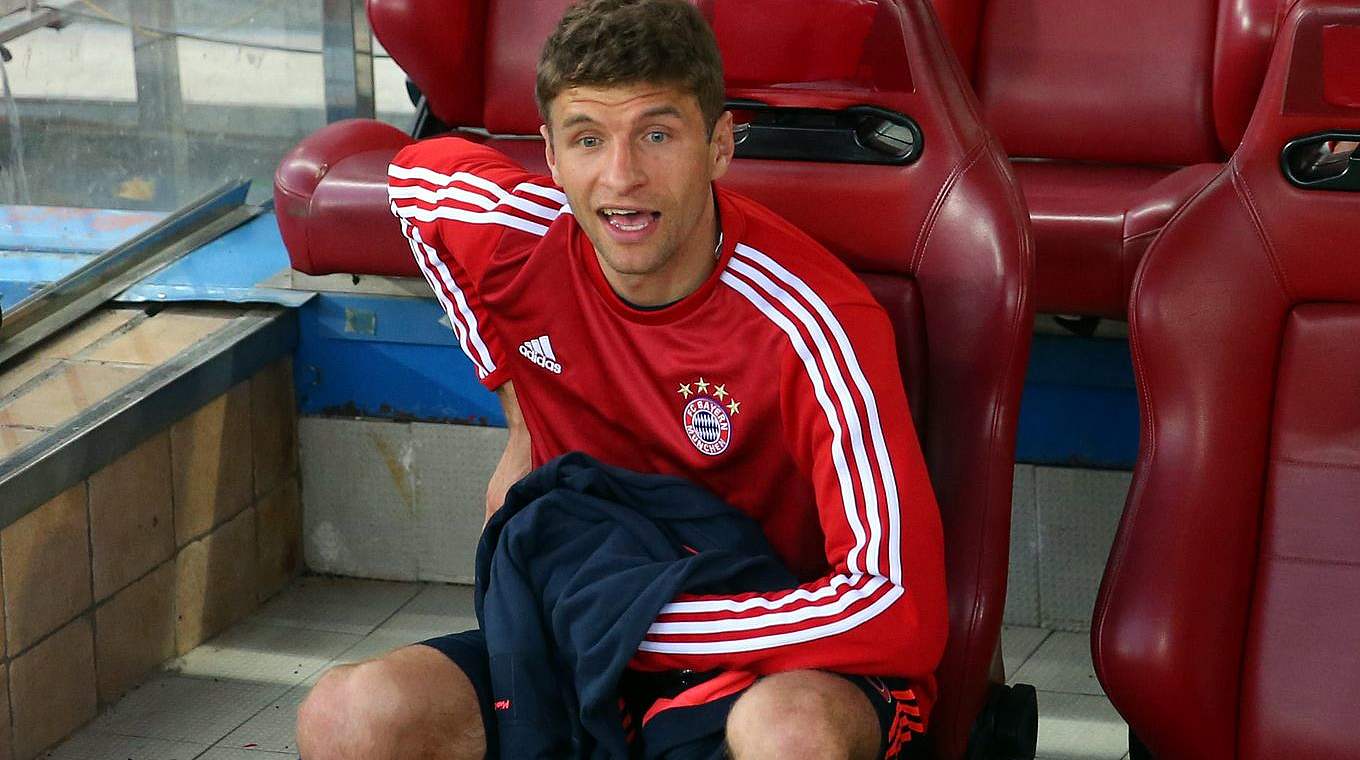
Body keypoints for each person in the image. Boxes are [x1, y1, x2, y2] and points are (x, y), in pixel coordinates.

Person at [295, 1, 947, 758]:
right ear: (550, 151)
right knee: (348, 716)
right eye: (587, 138)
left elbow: (899, 605)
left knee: (787, 736)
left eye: (658, 135)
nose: (621, 175)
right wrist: (518, 414)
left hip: (782, 663)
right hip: (592, 640)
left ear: (719, 146)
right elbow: (419, 182)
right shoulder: (519, 236)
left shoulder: (814, 323)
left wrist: (635, 623)